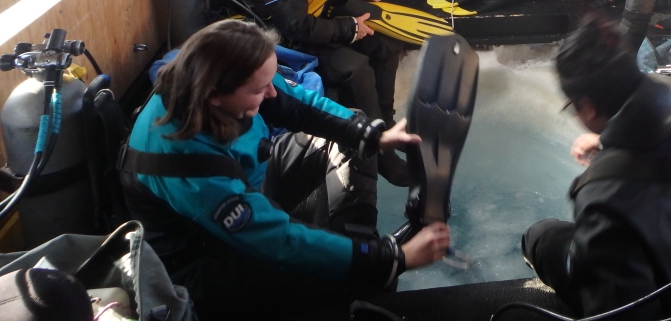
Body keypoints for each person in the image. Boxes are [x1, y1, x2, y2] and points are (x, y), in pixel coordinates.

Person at [121, 20, 450, 320]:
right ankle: (361, 276)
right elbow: (277, 239)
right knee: (335, 277)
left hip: (250, 179)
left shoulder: (223, 78)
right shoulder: (186, 164)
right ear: (215, 96)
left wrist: (372, 135)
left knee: (350, 139)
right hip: (206, 257)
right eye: (258, 90)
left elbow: (295, 101)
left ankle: (359, 250)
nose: (270, 93)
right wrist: (391, 260)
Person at [521, 16, 671, 319]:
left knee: (539, 237)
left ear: (587, 107)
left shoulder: (602, 197)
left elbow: (621, 311)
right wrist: (608, 141)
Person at [248, 0, 410, 187]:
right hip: (288, 40)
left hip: (315, 17)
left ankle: (386, 123)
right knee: (357, 69)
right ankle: (379, 153)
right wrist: (348, 29)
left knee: (386, 46)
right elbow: (295, 26)